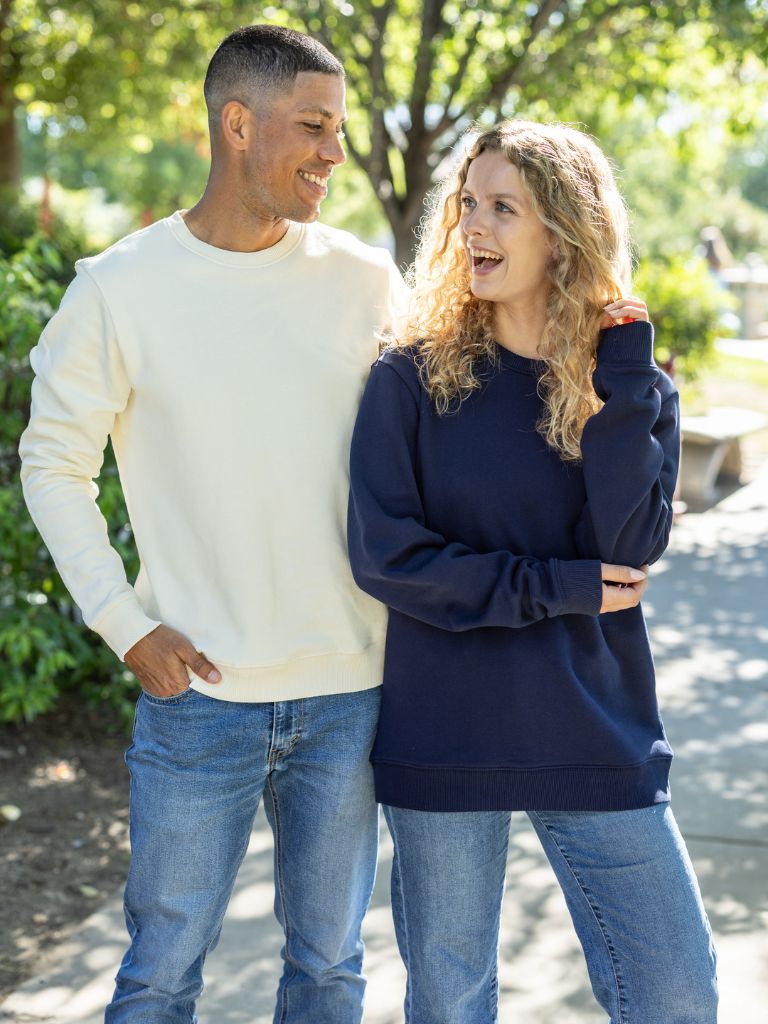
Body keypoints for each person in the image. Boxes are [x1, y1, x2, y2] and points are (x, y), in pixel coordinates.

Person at [19, 24, 405, 1024]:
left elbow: (444, 440)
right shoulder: (119, 288)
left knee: (329, 968)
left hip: (349, 696)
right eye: (314, 127)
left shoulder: (365, 282)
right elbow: (53, 462)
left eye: (341, 129)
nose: (335, 152)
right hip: (198, 701)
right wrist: (124, 622)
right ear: (240, 124)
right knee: (161, 972)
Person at [348, 120, 718, 1023]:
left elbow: (626, 551)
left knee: (676, 994)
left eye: (503, 208)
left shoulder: (628, 385)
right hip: (447, 733)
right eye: (467, 204)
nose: (474, 224)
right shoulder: (411, 379)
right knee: (449, 1002)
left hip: (593, 729)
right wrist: (557, 587)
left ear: (566, 229)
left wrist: (624, 376)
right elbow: (388, 556)